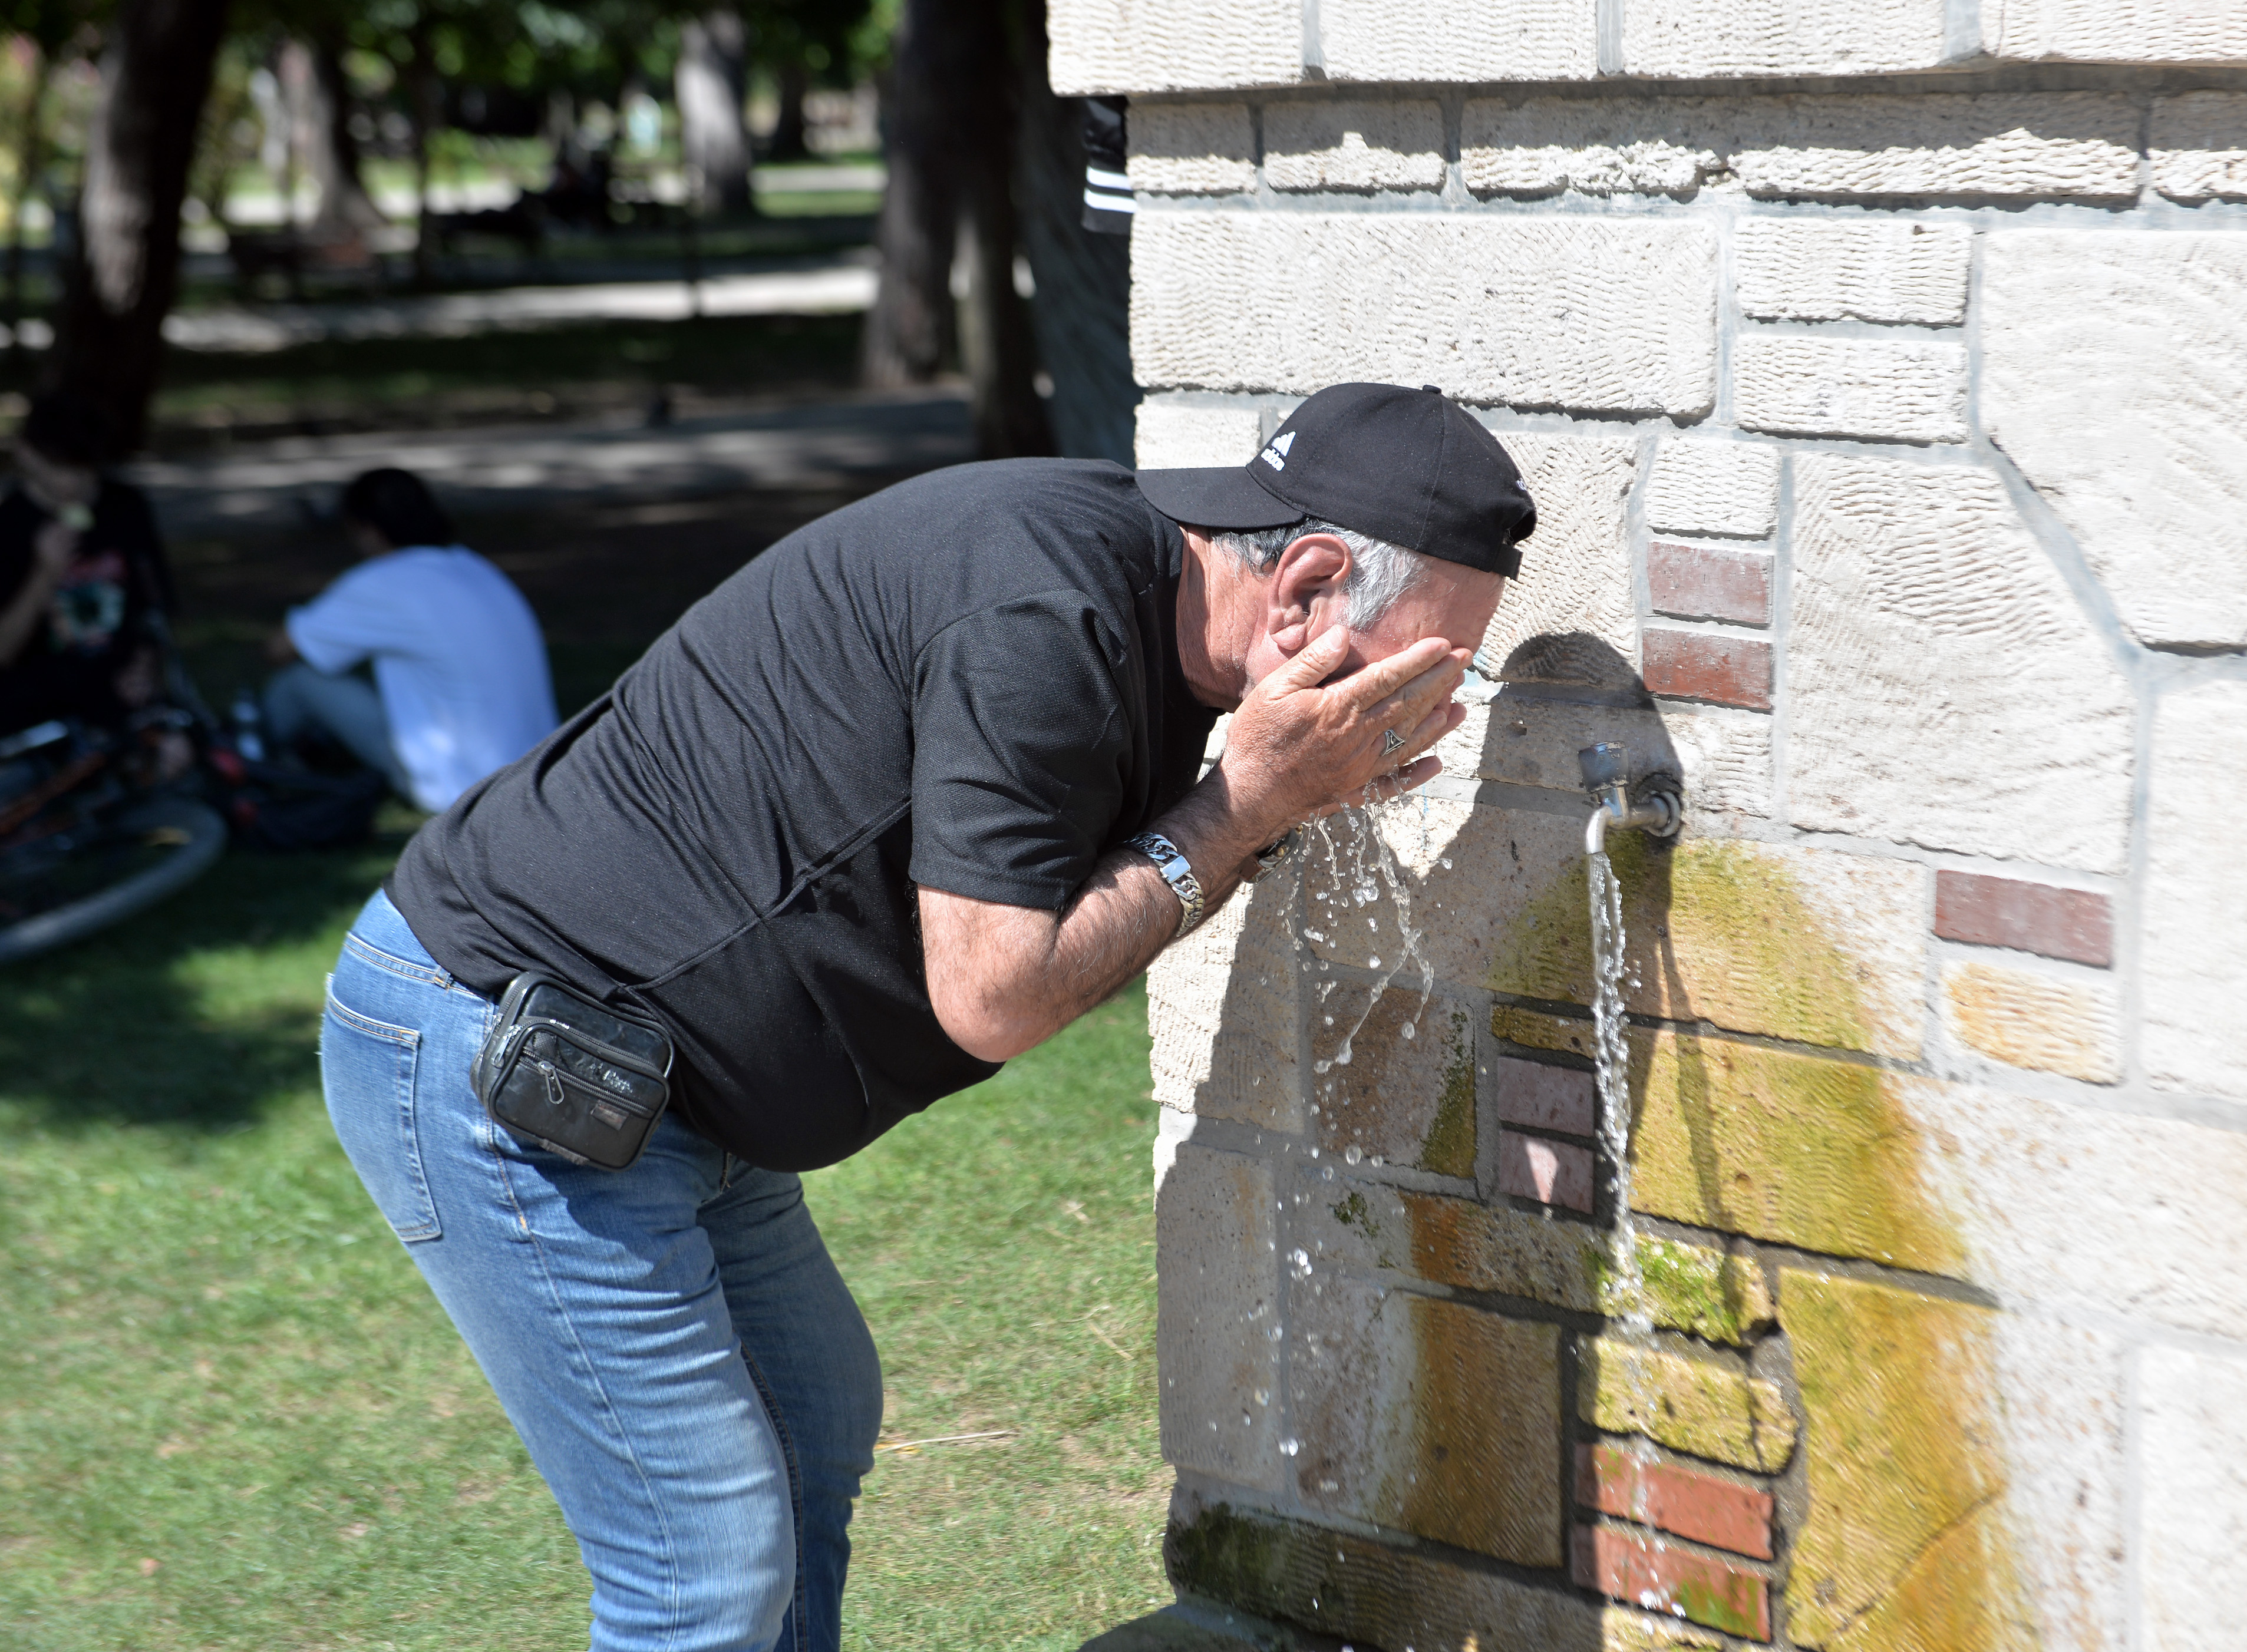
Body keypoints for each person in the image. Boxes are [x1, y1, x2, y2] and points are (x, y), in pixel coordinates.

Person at [318, 382, 1532, 1651]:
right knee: (705, 1564)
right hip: (510, 1051)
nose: (1430, 695)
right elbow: (994, 992)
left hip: (663, 1071)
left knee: (816, 1421)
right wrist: (1243, 809)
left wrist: (1266, 801)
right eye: (1433, 659)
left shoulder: (1152, 604)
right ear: (1307, 583)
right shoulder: (1043, 613)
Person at [266, 468, 557, 812]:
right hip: (537, 775)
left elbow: (281, 648)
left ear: (368, 530)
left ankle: (254, 762)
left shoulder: (383, 580)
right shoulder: (476, 567)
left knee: (302, 680)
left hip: (459, 785)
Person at [0, 391, 176, 735]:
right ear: (26, 453)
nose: (73, 481)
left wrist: (145, 663)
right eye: (60, 466)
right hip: (34, 712)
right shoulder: (8, 527)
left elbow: (154, 609)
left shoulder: (126, 507)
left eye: (85, 467)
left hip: (118, 699)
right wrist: (45, 574)